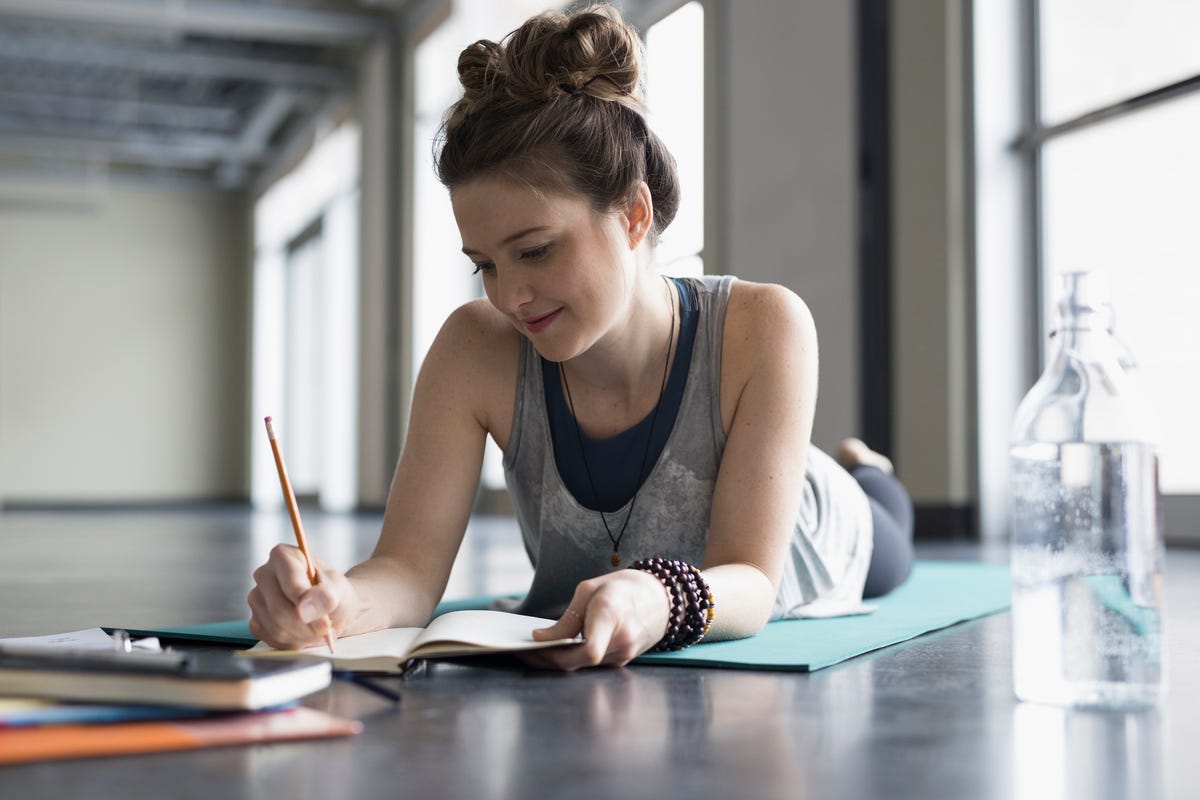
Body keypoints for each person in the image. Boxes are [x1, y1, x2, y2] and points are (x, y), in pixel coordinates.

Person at [248, 3, 914, 670]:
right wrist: (333, 601)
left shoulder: (765, 326)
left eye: (535, 251)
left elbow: (752, 581)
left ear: (632, 214)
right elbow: (408, 571)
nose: (509, 297)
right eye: (484, 265)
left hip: (822, 526)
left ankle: (865, 469)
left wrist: (659, 595)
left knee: (890, 534)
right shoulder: (474, 350)